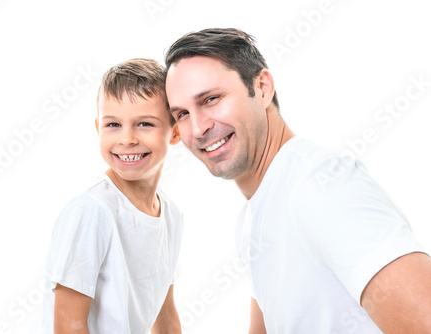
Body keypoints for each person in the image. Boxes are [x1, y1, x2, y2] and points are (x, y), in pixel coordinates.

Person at [164, 28, 431, 333]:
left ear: (263, 88)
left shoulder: (323, 188)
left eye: (211, 99)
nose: (198, 128)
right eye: (182, 114)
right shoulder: (254, 218)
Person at [40, 58, 183, 334]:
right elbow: (69, 324)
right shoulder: (91, 211)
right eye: (113, 125)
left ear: (175, 131)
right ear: (98, 129)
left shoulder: (172, 216)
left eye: (144, 124)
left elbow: (165, 314)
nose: (126, 139)